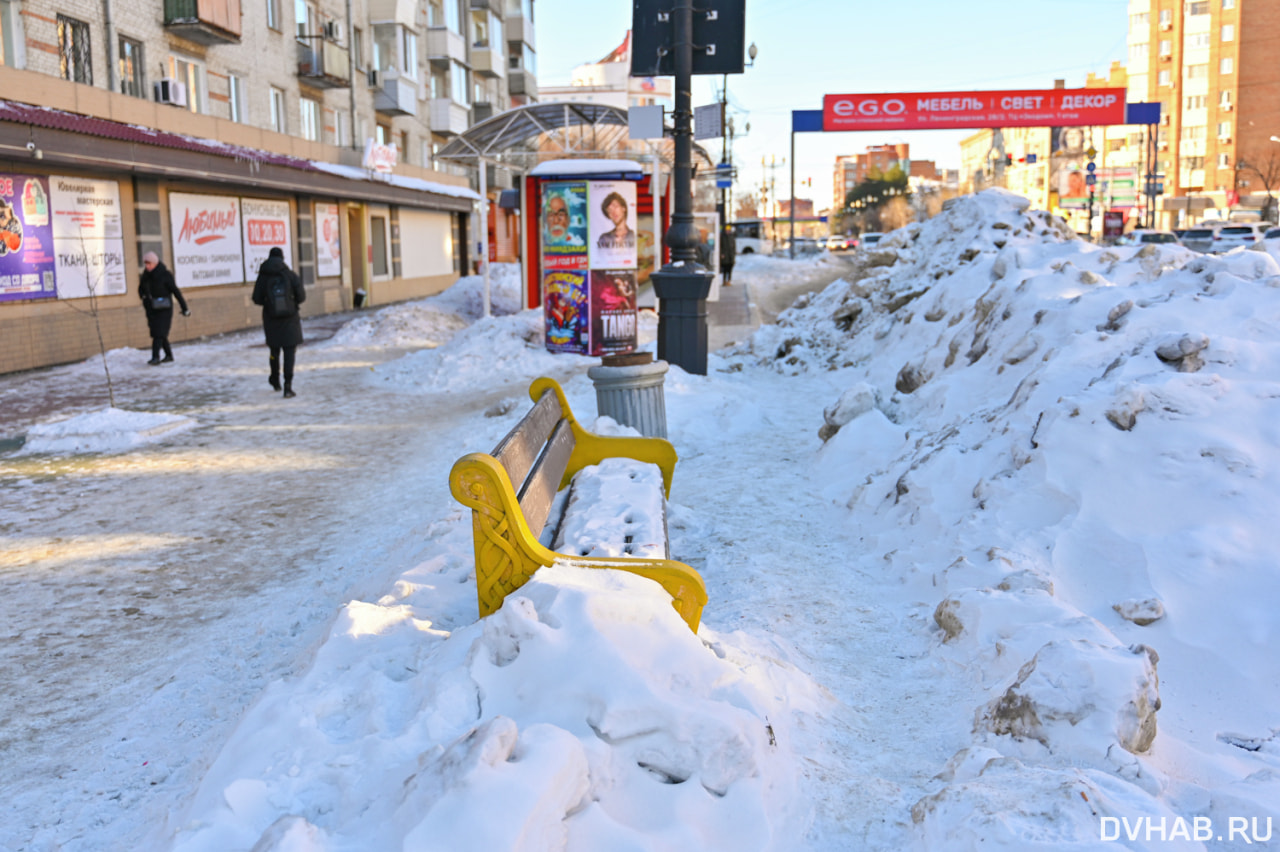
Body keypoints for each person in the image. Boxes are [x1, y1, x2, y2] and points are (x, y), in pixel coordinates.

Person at [251, 247, 306, 398]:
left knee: (274, 351)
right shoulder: (290, 275)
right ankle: (288, 386)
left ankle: (275, 379)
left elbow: (256, 298)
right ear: (282, 258)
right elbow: (301, 297)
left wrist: (269, 303)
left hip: (271, 319)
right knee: (289, 352)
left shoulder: (263, 276)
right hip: (290, 319)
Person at [139, 251, 189, 365]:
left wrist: (184, 307)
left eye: (149, 263)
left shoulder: (165, 275)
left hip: (164, 309)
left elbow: (176, 291)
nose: (147, 266)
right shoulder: (145, 276)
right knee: (160, 334)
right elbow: (141, 289)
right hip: (151, 309)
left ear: (155, 263)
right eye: (146, 264)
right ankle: (169, 355)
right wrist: (143, 297)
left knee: (158, 333)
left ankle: (155, 357)